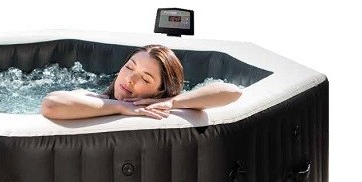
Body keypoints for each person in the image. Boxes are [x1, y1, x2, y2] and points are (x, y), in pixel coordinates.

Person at [40, 45, 243, 120]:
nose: (130, 79)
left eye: (145, 78)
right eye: (129, 67)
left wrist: (173, 102)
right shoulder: (93, 97)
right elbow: (51, 104)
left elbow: (232, 92)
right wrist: (120, 107)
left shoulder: (163, 105)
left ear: (161, 90)